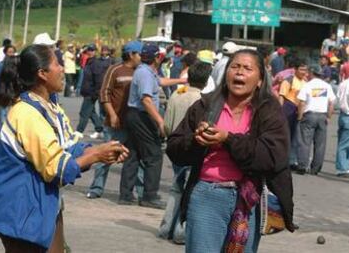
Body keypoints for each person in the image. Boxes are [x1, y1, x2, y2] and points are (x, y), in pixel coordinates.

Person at [0, 45, 129, 252]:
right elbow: (55, 169)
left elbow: (69, 146)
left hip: (44, 207)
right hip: (22, 213)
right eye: (57, 64)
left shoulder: (50, 106)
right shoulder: (26, 114)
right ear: (42, 73)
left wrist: (103, 151)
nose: (62, 69)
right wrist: (95, 155)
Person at [166, 49, 294, 252]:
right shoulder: (204, 106)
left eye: (247, 68)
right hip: (207, 195)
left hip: (249, 199)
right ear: (226, 74)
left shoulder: (269, 111)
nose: (239, 72)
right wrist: (195, 141)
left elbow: (272, 156)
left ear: (260, 80)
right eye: (234, 67)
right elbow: (174, 148)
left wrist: (228, 139)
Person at [125, 43, 186, 209]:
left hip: (135, 115)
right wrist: (160, 121)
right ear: (157, 58)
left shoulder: (147, 71)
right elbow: (146, 100)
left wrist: (182, 80)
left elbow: (161, 81)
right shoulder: (145, 73)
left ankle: (126, 193)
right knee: (154, 155)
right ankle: (149, 196)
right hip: (141, 116)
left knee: (134, 154)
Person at [158, 61, 212, 244]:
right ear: (206, 81)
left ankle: (166, 228)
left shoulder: (176, 95)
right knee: (189, 190)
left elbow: (166, 125)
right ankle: (181, 232)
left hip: (176, 148)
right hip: (193, 150)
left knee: (176, 188)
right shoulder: (203, 101)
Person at [86, 41, 145, 204]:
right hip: (116, 123)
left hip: (135, 124)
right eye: (140, 54)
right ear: (131, 54)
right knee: (106, 156)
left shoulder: (142, 71)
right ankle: (96, 188)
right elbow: (104, 93)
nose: (142, 57)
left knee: (137, 160)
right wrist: (112, 114)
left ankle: (141, 193)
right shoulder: (115, 70)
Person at [296, 66, 336, 175]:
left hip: (309, 115)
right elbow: (332, 103)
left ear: (312, 73)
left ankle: (302, 166)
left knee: (305, 142)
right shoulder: (327, 86)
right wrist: (329, 116)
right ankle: (316, 168)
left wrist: (299, 117)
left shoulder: (307, 85)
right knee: (320, 144)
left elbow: (302, 102)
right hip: (322, 116)